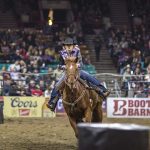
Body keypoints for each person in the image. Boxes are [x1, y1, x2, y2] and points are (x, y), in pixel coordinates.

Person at [47, 37, 110, 111]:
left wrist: (76, 66)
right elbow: (60, 65)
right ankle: (52, 103)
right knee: (57, 85)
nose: (69, 47)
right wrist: (66, 67)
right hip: (67, 73)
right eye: (67, 46)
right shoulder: (62, 54)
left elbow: (81, 63)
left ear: (73, 46)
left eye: (70, 45)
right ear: (64, 46)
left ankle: (103, 90)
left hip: (78, 71)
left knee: (89, 77)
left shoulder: (77, 51)